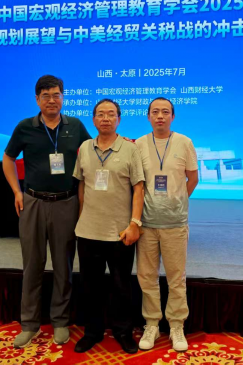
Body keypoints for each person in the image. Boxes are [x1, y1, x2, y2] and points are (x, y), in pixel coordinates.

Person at [3, 75, 91, 348]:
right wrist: (17, 192)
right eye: (45, 96)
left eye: (56, 95)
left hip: (66, 203)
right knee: (32, 264)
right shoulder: (25, 127)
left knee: (64, 265)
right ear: (37, 99)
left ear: (63, 97)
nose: (51, 100)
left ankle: (60, 321)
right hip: (33, 203)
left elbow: (92, 152)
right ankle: (29, 324)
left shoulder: (75, 126)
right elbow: (8, 158)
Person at [72, 98, 145, 355]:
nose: (106, 118)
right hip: (88, 231)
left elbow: (139, 188)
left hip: (120, 232)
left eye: (111, 114)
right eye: (101, 114)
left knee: (121, 285)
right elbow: (81, 185)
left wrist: (134, 224)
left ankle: (123, 332)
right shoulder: (84, 147)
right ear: (93, 120)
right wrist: (81, 218)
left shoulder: (130, 149)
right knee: (89, 286)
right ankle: (92, 332)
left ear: (119, 119)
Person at [135, 97, 199, 352]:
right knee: (147, 277)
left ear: (173, 116)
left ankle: (176, 325)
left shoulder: (184, 142)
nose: (160, 116)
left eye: (165, 112)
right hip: (146, 224)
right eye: (155, 112)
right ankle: (151, 323)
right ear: (148, 116)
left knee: (176, 277)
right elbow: (137, 183)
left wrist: (177, 201)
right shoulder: (139, 144)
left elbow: (192, 178)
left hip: (175, 223)